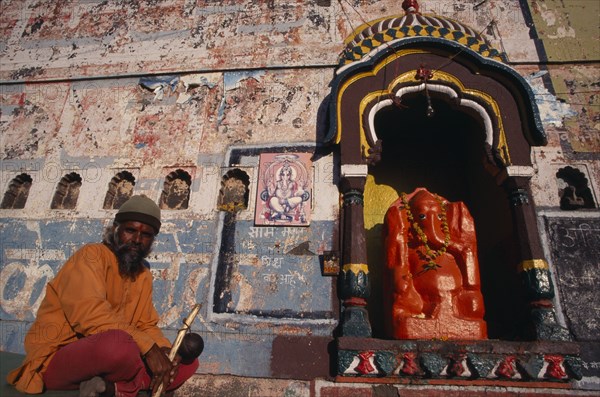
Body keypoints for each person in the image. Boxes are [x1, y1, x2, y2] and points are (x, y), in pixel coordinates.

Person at [7, 195, 199, 397]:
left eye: (146, 235)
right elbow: (90, 315)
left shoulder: (143, 275)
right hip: (62, 356)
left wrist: (163, 350)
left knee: (186, 362)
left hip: (120, 357)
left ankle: (111, 389)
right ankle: (131, 386)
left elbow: (145, 324)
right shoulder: (91, 255)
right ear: (116, 229)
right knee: (118, 345)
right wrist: (149, 349)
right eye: (130, 230)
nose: (136, 240)